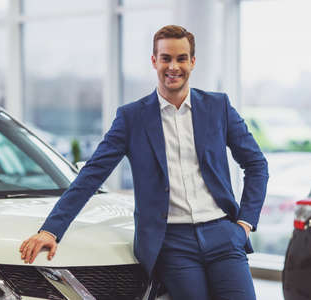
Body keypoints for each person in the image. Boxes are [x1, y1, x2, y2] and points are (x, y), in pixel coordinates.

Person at [19, 25, 268, 300]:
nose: (173, 66)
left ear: (193, 62)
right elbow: (92, 175)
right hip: (173, 242)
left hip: (223, 234)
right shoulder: (132, 118)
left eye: (181, 58)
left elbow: (256, 164)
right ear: (154, 61)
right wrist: (50, 230)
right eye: (166, 58)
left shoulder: (218, 107)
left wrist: (244, 225)